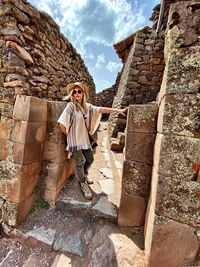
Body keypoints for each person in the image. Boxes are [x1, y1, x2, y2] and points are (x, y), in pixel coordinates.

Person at [58, 82, 128, 200]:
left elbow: (101, 109)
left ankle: (83, 175)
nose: (76, 94)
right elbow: (61, 123)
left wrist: (118, 110)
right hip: (75, 141)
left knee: (90, 159)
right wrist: (69, 135)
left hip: (85, 140)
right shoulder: (70, 106)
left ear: (83, 93)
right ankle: (83, 183)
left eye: (79, 91)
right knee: (79, 162)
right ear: (72, 94)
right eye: (74, 92)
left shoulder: (88, 107)